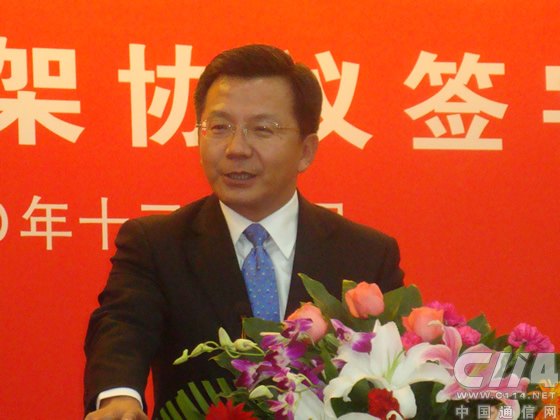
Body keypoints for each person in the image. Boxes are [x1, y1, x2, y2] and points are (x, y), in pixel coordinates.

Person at [84, 44, 404, 419]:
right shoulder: (155, 244)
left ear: (306, 150)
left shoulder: (366, 254)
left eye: (262, 129)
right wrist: (119, 398)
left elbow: (390, 374)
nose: (236, 148)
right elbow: (123, 326)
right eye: (219, 127)